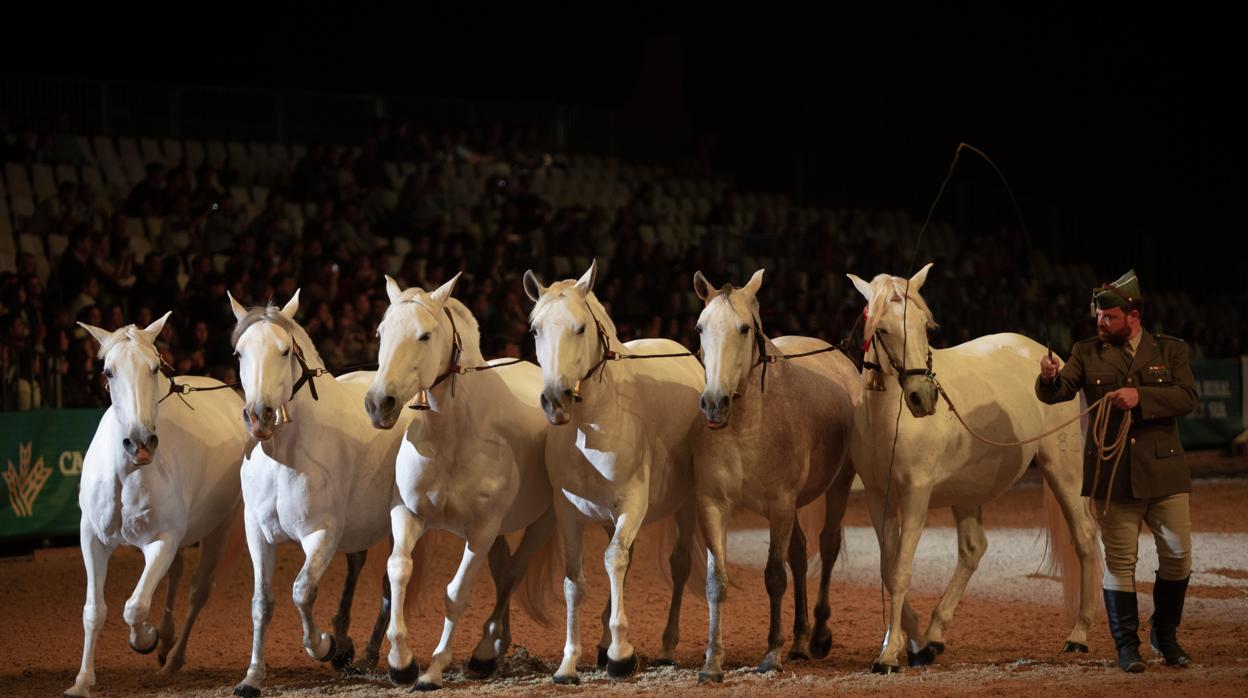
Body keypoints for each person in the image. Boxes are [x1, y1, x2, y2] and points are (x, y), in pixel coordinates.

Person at [1036, 269, 1198, 673]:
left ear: (1133, 315)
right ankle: (1127, 645)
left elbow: (1187, 396)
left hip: (1164, 475)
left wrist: (1140, 396)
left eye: (1108, 317)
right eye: (1098, 317)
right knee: (1121, 563)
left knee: (1178, 557)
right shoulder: (1086, 351)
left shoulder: (1170, 351)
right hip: (1114, 476)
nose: (1100, 323)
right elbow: (1059, 393)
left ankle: (1165, 632)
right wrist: (1048, 377)